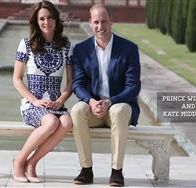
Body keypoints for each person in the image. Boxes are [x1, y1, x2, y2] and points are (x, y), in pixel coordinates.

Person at [71, 4, 141, 187]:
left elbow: (133, 87)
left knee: (118, 111)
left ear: (111, 21)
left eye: (104, 21)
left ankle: (116, 171)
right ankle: (86, 170)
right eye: (96, 22)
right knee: (77, 110)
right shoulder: (80, 50)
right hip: (94, 108)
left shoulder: (129, 48)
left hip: (119, 106)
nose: (100, 26)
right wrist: (91, 101)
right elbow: (77, 84)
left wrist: (110, 102)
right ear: (89, 23)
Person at [12, 0, 73, 183]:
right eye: (42, 19)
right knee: (51, 122)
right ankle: (19, 162)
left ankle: (32, 164)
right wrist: (34, 100)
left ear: (56, 20)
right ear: (36, 22)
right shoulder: (26, 44)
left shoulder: (67, 46)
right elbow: (16, 79)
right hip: (33, 105)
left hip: (56, 104)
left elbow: (70, 82)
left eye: (50, 18)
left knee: (67, 122)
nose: (46, 22)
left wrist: (61, 100)